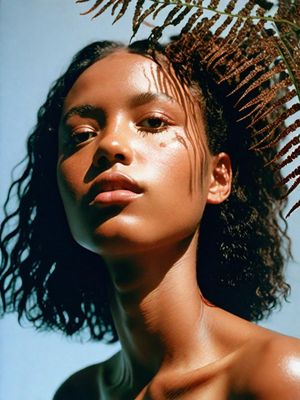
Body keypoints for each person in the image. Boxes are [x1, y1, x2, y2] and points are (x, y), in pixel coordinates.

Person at [1, 37, 300, 399]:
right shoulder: (77, 394)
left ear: (217, 178)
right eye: (81, 134)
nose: (110, 144)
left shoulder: (280, 377)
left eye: (154, 122)